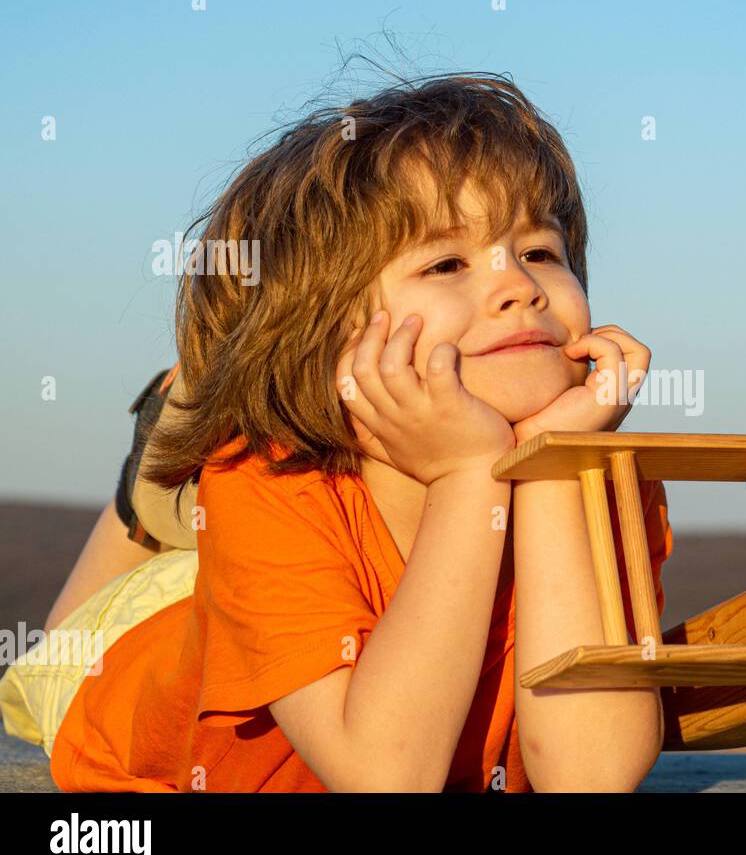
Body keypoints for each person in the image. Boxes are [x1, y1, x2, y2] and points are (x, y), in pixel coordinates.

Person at [34, 72, 672, 793]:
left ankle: (202, 415)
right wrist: (468, 475)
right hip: (127, 671)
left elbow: (591, 776)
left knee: (222, 576)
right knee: (63, 648)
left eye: (541, 252)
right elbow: (385, 776)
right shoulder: (266, 481)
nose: (519, 286)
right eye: (447, 263)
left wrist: (550, 466)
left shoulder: (604, 482)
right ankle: (163, 455)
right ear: (325, 335)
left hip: (271, 595)